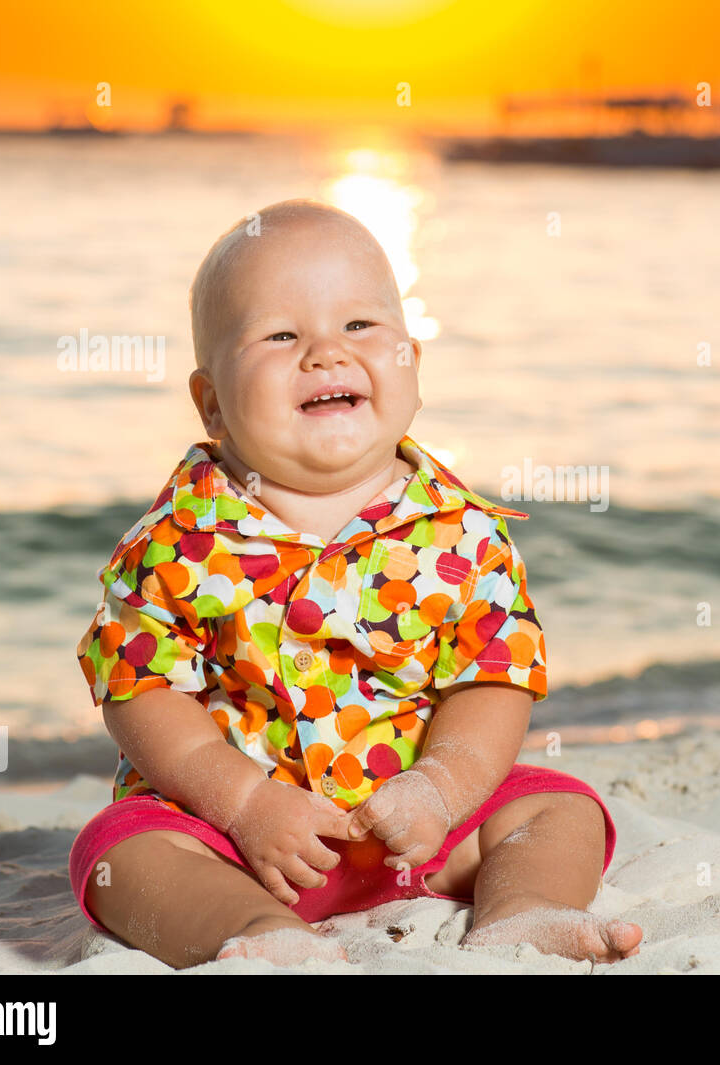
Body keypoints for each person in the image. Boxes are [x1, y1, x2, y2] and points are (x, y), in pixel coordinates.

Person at [67, 199, 644, 968]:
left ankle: (522, 910)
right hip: (243, 842)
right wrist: (242, 803)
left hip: (417, 835)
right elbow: (140, 689)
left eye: (361, 327)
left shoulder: (462, 531)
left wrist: (442, 789)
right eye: (281, 335)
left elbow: (494, 679)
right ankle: (256, 930)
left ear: (412, 364)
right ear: (212, 404)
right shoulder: (178, 541)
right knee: (118, 854)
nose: (325, 353)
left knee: (560, 806)